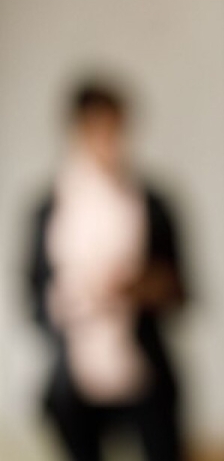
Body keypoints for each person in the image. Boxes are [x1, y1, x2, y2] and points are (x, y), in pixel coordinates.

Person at [26, 80, 186, 461]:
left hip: (144, 370)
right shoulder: (50, 209)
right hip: (75, 378)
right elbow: (34, 298)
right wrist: (76, 298)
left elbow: (180, 289)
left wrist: (136, 288)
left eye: (115, 129)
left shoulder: (152, 204)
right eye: (98, 129)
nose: (108, 141)